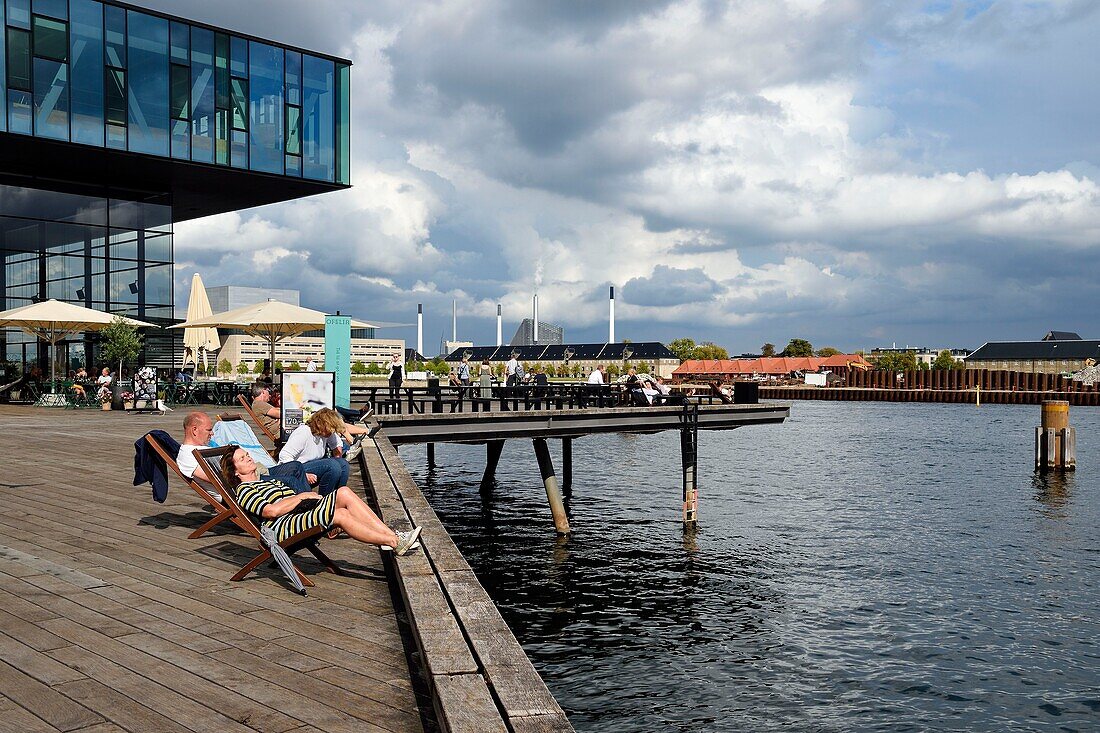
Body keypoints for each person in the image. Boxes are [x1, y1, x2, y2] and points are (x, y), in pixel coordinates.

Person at [220, 447, 421, 555]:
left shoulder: (267, 480)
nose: (248, 458)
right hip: (281, 527)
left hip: (299, 514)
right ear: (235, 472)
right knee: (340, 514)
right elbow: (270, 512)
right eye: (242, 458)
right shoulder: (245, 490)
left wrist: (307, 499)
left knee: (343, 492)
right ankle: (393, 542)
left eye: (247, 454)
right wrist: (301, 496)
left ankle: (391, 536)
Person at [176, 411, 314, 496]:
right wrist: (248, 474)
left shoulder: (203, 449)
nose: (212, 433)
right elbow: (220, 480)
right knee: (291, 481)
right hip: (245, 485)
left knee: (295, 466)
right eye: (208, 430)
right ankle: (310, 515)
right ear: (194, 430)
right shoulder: (187, 456)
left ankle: (309, 506)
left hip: (254, 473)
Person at [278, 408, 350, 496]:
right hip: (293, 470)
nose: (331, 433)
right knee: (332, 466)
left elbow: (336, 443)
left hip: (309, 466)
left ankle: (338, 497)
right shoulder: (304, 432)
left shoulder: (325, 433)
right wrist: (303, 475)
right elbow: (284, 455)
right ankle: (325, 500)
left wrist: (338, 458)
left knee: (343, 464)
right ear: (320, 425)